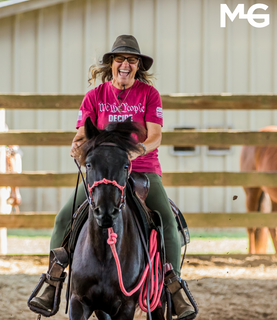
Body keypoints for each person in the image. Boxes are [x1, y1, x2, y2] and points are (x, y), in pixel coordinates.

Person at [30, 35, 196, 320]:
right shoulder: (94, 97)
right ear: (111, 64)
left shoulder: (149, 95)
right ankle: (53, 280)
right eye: (120, 59)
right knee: (62, 218)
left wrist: (135, 152)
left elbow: (155, 135)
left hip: (142, 167)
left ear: (138, 66)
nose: (125, 64)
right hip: (104, 171)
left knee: (167, 220)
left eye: (132, 60)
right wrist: (76, 144)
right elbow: (83, 133)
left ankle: (173, 284)